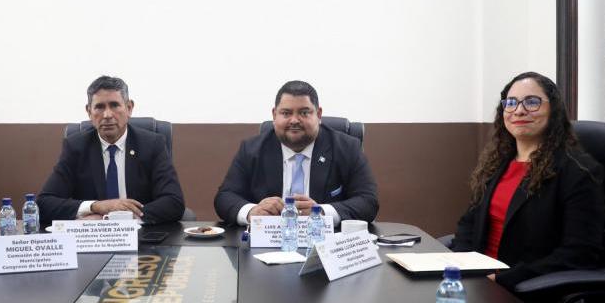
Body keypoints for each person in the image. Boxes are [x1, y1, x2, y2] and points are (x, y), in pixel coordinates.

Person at [453, 72, 605, 289]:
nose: (519, 110)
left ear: (553, 109)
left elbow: (580, 253)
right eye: (511, 103)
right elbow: (469, 223)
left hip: (525, 290)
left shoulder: (578, 171)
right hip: (478, 283)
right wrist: (460, 266)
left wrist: (505, 279)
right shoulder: (497, 163)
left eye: (532, 102)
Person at [214, 80, 378, 226]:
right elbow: (225, 197)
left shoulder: (347, 148)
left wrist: (321, 212)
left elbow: (368, 202)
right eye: (286, 113)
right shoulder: (252, 149)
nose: (294, 120)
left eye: (304, 113)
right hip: (267, 241)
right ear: (274, 115)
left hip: (325, 243)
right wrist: (251, 212)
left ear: (318, 114)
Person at [38, 76, 185, 225]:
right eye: (99, 107)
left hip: (141, 234)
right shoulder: (76, 147)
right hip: (92, 235)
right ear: (89, 111)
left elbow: (174, 202)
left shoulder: (152, 144)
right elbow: (44, 203)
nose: (107, 115)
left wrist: (121, 218)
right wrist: (95, 206)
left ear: (129, 108)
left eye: (114, 105)